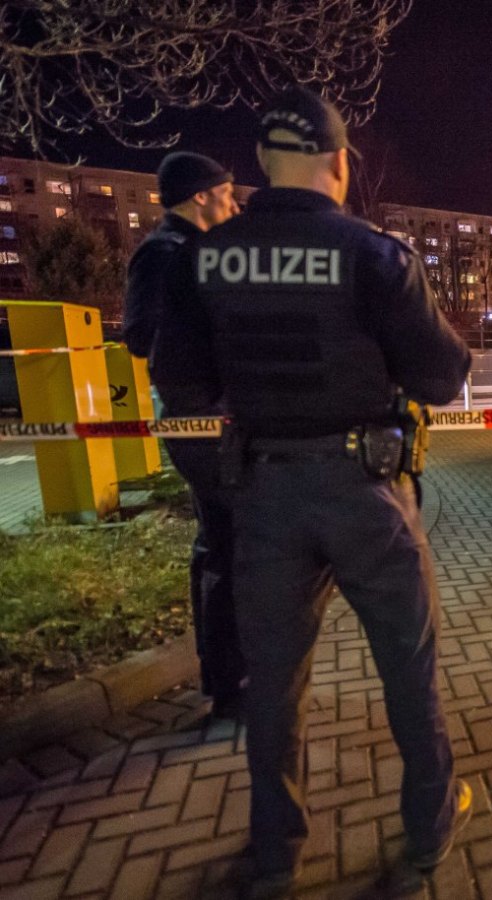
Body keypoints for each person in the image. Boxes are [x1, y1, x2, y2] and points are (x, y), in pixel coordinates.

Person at [151, 87, 473, 899]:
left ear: (261, 164)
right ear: (337, 164)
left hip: (262, 494)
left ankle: (275, 855)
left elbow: (179, 382)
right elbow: (443, 374)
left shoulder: (205, 257)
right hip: (365, 492)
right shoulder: (374, 254)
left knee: (275, 683)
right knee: (409, 665)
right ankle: (430, 829)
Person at [123, 152, 245, 719]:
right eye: (226, 193)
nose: (234, 203)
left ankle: (227, 675)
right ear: (201, 197)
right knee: (225, 546)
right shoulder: (165, 254)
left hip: (210, 417)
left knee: (222, 542)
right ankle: (228, 685)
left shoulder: (189, 252)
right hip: (200, 422)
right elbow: (141, 335)